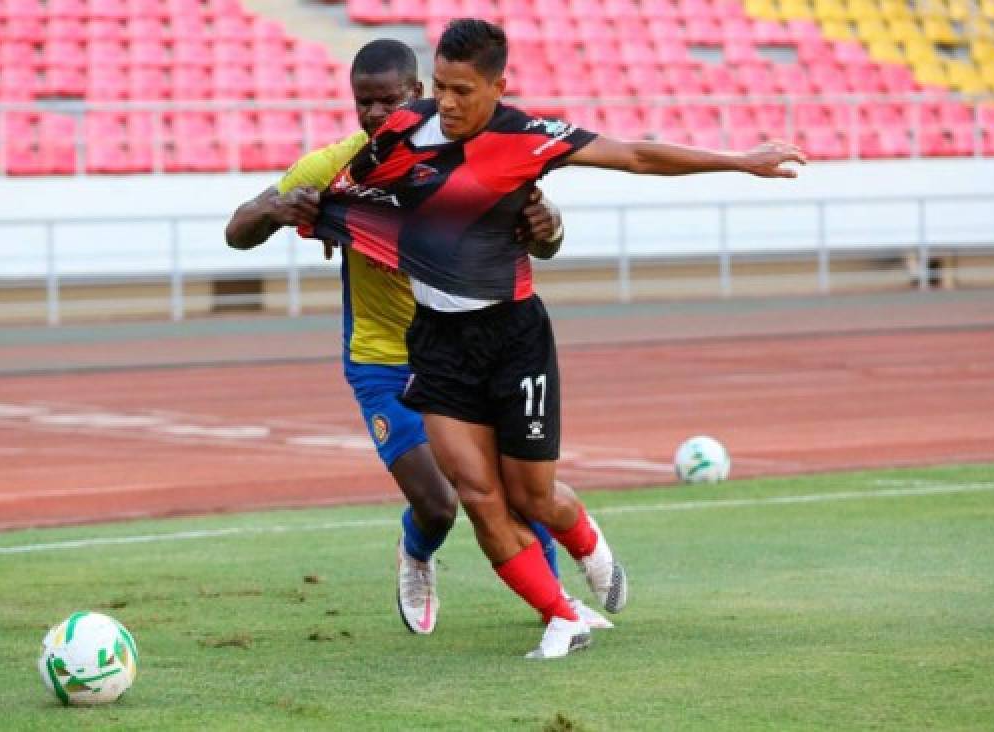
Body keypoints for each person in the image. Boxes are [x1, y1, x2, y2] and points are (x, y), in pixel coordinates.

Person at [304, 19, 807, 659]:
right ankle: (561, 616)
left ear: (497, 86)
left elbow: (636, 154)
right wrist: (314, 213)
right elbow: (345, 188)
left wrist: (740, 162)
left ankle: (587, 539)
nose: (448, 104)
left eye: (463, 90)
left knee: (530, 496)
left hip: (513, 338)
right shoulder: (402, 133)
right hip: (435, 343)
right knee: (480, 497)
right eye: (440, 88)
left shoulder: (528, 137)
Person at [224, 39, 610, 637]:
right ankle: (417, 554)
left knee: (510, 489)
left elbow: (541, 241)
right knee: (438, 503)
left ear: (421, 95)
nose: (376, 116)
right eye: (363, 104)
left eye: (389, 101)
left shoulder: (479, 163)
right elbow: (236, 230)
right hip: (383, 359)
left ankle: (555, 606)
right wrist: (279, 209)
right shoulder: (341, 168)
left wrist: (550, 226)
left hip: (466, 350)